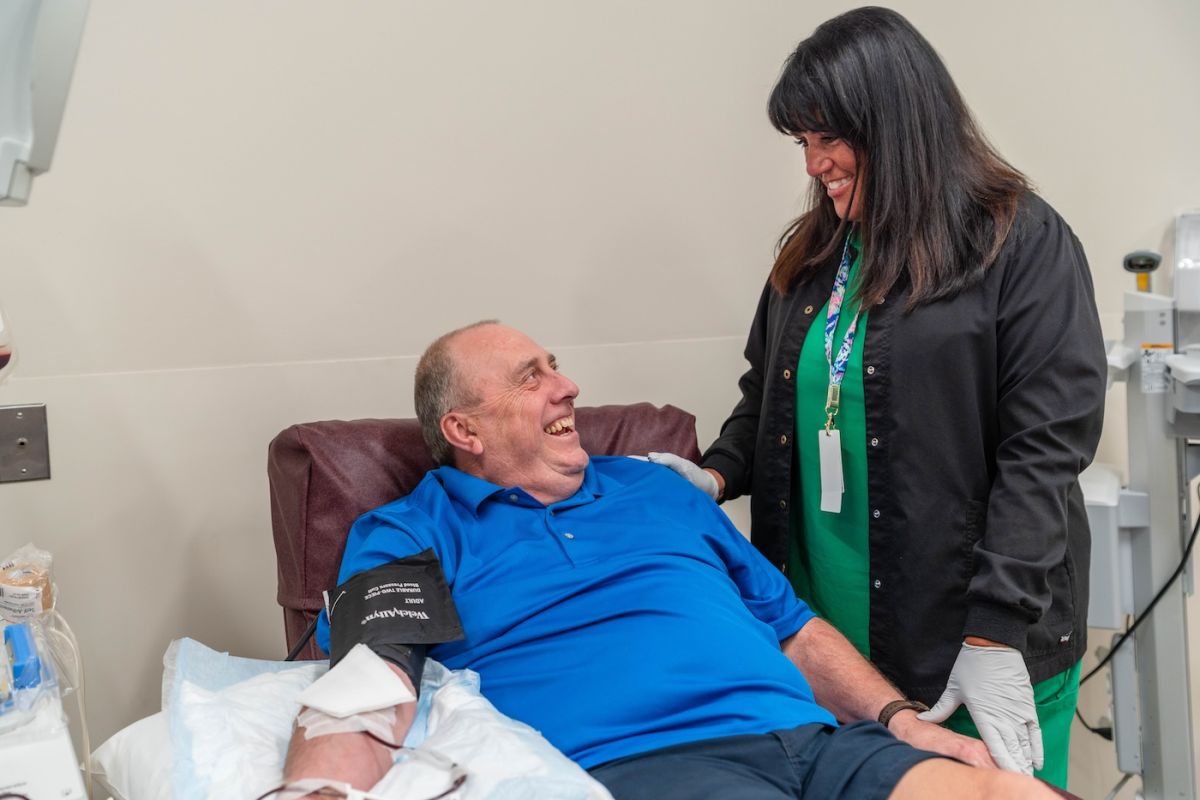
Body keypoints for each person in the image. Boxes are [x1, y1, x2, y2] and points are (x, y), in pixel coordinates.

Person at [277, 320, 1063, 800]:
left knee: (1007, 793)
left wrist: (900, 722)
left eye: (555, 365)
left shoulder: (659, 492)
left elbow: (792, 628)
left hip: (815, 745)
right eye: (532, 377)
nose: (568, 386)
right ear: (466, 432)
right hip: (651, 766)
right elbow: (369, 680)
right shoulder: (407, 530)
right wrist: (317, 793)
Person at [651, 6, 1106, 790]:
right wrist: (717, 475)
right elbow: (770, 394)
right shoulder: (818, 249)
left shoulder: (1019, 242)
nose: (813, 163)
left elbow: (1044, 454)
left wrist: (995, 635)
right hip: (831, 639)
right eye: (803, 143)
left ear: (894, 122)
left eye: (828, 138)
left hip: (969, 636)